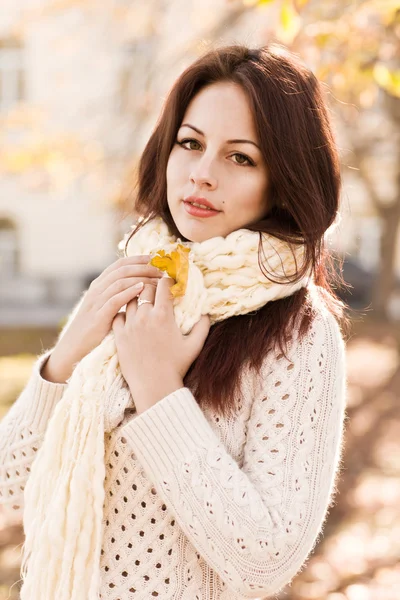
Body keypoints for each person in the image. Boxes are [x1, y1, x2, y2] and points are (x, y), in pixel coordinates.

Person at [0, 43, 349, 600]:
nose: (202, 174)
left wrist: (159, 389)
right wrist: (64, 359)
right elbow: (6, 494)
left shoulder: (299, 334)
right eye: (190, 144)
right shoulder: (134, 288)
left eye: (241, 157)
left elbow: (264, 563)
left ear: (282, 182)